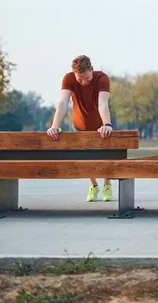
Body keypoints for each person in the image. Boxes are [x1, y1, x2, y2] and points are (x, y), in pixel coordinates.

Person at [47, 55, 114, 202]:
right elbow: (63, 102)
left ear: (92, 69)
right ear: (74, 74)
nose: (83, 83)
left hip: (99, 125)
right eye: (80, 80)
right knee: (86, 159)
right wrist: (55, 126)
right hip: (79, 125)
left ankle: (107, 185)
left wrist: (107, 124)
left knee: (106, 157)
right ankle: (93, 185)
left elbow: (103, 103)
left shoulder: (102, 78)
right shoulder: (68, 79)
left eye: (87, 79)